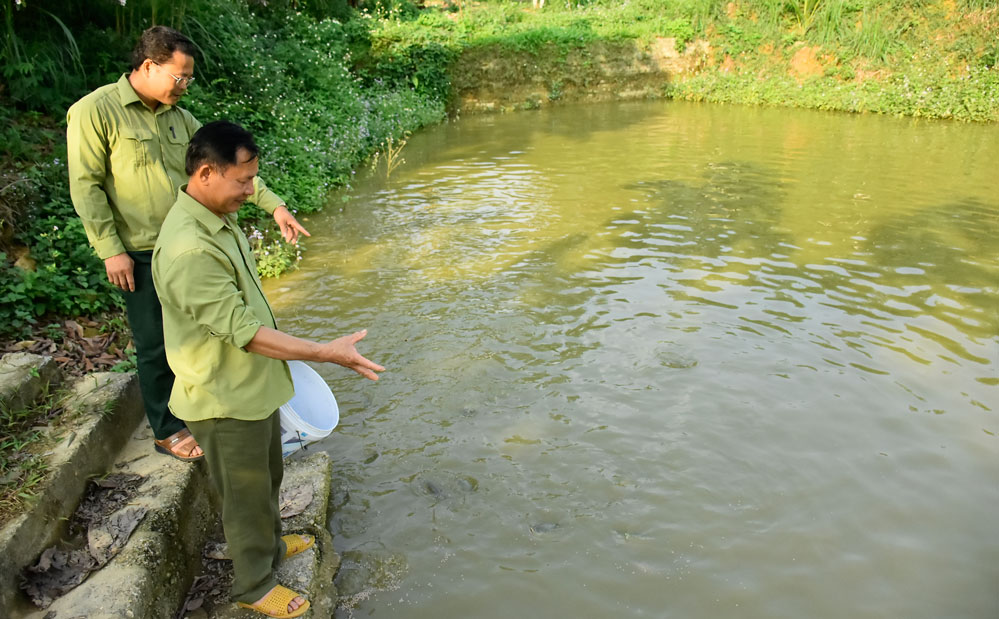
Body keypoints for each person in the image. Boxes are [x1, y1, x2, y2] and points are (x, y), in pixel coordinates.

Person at [152, 120, 384, 618]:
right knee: (245, 494)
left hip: (250, 383)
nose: (250, 190)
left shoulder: (216, 213)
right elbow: (246, 331)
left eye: (254, 179)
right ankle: (253, 585)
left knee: (270, 475)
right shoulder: (189, 247)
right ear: (207, 173)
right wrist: (326, 352)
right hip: (222, 394)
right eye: (243, 181)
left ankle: (273, 548)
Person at [66, 26, 310, 461]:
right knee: (155, 339)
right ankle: (167, 428)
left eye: (189, 79)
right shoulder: (96, 112)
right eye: (179, 76)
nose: (184, 86)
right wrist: (110, 249)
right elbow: (85, 186)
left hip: (193, 238)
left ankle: (203, 407)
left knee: (201, 336)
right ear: (147, 66)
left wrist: (274, 205)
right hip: (141, 250)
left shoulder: (180, 119)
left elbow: (228, 163)